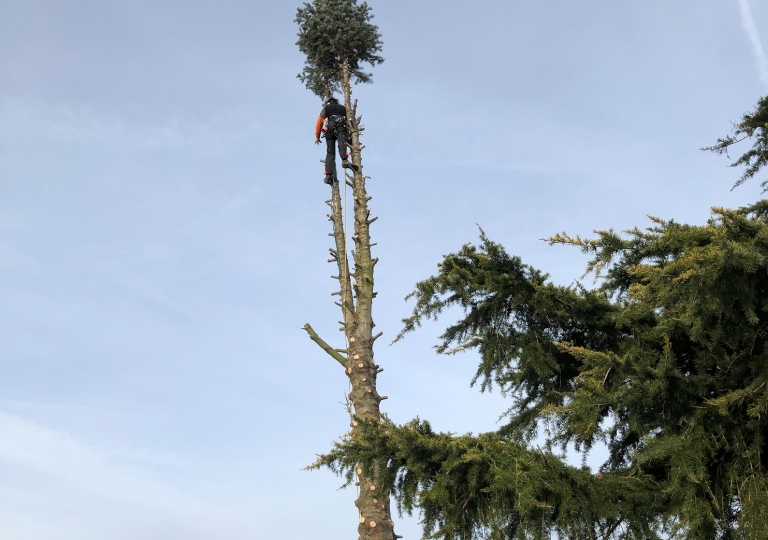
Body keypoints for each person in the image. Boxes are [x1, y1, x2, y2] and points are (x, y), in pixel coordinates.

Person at [315, 97, 357, 184]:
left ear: (329, 103)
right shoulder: (342, 108)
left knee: (330, 152)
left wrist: (317, 136)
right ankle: (344, 160)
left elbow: (320, 121)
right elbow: (349, 121)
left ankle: (328, 175)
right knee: (342, 143)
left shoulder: (326, 108)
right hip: (341, 126)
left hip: (329, 128)